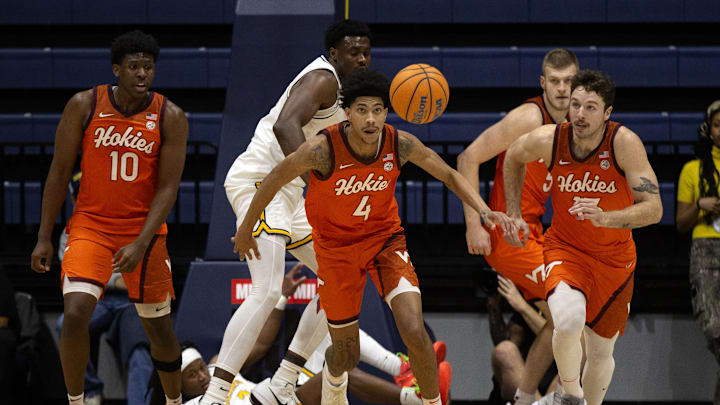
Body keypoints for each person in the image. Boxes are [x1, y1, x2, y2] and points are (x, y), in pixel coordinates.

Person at [233, 68, 523, 405]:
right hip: (336, 251)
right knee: (345, 357)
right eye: (361, 110)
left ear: (386, 111)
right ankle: (335, 383)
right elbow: (273, 179)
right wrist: (245, 228)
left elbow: (447, 174)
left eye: (378, 110)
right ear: (347, 113)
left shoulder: (399, 143)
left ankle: (430, 402)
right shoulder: (321, 149)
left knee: (414, 330)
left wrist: (483, 210)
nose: (370, 119)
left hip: (385, 243)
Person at [202, 19, 373, 405]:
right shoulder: (324, 80)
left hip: (292, 191)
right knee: (266, 291)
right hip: (264, 181)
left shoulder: (351, 97)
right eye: (353, 52)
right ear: (334, 54)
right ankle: (216, 393)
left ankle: (284, 380)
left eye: (366, 52)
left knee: (342, 278)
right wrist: (325, 183)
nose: (361, 59)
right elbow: (285, 126)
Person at [30, 30, 188, 405]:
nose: (141, 74)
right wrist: (44, 236)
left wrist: (141, 241)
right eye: (133, 66)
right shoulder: (84, 105)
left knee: (160, 330)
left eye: (148, 67)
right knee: (75, 313)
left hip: (143, 232)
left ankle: (174, 400)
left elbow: (168, 188)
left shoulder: (171, 116)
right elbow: (58, 171)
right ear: (116, 69)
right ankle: (78, 400)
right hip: (91, 227)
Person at [503, 69, 662, 405]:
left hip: (615, 259)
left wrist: (606, 217)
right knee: (568, 319)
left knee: (601, 351)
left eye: (591, 107)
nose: (580, 114)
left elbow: (655, 209)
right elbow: (513, 156)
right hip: (566, 248)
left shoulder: (624, 143)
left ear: (607, 113)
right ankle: (570, 394)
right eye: (575, 105)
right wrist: (514, 212)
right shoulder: (551, 139)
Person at [457, 48, 578, 405]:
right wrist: (474, 224)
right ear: (543, 83)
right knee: (571, 316)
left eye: (568, 81)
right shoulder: (528, 117)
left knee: (576, 321)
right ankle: (532, 398)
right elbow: (467, 158)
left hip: (537, 233)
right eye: (554, 81)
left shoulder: (575, 124)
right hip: (508, 237)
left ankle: (540, 399)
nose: (561, 89)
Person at [147, 265, 450, 405]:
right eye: (193, 376)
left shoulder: (217, 368)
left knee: (333, 326)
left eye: (200, 368)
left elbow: (262, 342)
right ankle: (417, 399)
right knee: (341, 370)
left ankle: (404, 371)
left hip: (284, 392)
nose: (202, 376)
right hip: (277, 399)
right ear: (178, 387)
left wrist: (280, 297)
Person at [676, 100, 720, 405]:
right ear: (708, 128)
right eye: (718, 124)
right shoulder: (693, 169)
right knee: (714, 327)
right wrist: (700, 205)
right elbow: (680, 223)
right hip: (706, 249)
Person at [486, 275, 559, 404]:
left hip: (556, 371)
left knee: (576, 368)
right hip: (525, 377)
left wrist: (522, 306)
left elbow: (560, 338)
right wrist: (494, 306)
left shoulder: (567, 295)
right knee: (504, 350)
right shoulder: (529, 294)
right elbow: (505, 341)